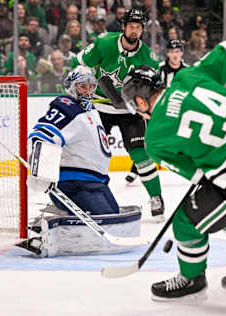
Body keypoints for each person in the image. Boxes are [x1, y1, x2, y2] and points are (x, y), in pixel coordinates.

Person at [121, 31, 226, 301]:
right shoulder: (188, 77)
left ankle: (192, 281)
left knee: (186, 221)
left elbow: (199, 175)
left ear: (141, 101)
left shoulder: (154, 138)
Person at [19, 65, 141, 256]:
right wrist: (41, 171)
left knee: (114, 216)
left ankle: (63, 214)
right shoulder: (66, 107)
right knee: (107, 223)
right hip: (76, 183)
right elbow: (40, 136)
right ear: (71, 87)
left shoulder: (91, 109)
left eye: (91, 86)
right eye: (83, 86)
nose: (88, 91)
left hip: (97, 183)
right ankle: (45, 232)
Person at [71, 9, 165, 222]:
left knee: (140, 155)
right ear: (123, 27)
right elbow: (79, 63)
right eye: (131, 26)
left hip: (129, 111)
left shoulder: (148, 57)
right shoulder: (104, 43)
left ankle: (156, 197)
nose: (135, 30)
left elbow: (153, 91)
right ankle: (87, 196)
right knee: (91, 153)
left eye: (139, 27)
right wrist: (84, 90)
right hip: (99, 107)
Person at [125, 39, 188, 185]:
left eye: (177, 51)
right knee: (149, 140)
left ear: (182, 53)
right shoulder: (159, 70)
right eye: (172, 52)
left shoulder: (187, 71)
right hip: (155, 111)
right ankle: (135, 170)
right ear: (167, 53)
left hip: (177, 111)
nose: (175, 55)